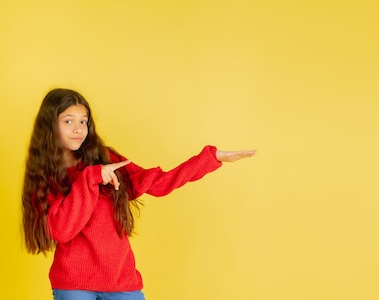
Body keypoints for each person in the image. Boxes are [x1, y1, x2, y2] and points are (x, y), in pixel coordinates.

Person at [21, 88, 256, 300]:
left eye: (83, 121)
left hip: (122, 282)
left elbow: (158, 183)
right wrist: (91, 178)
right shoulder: (45, 177)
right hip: (74, 285)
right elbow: (62, 230)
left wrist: (210, 159)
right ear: (50, 125)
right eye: (68, 121)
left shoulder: (106, 159)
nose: (77, 129)